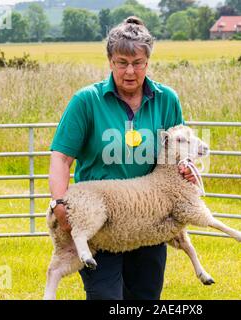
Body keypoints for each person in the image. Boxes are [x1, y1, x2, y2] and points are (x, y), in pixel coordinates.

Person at [49, 16, 197, 300]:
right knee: (106, 296)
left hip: (149, 220)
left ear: (147, 62)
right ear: (110, 61)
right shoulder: (86, 101)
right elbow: (61, 158)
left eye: (138, 63)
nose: (130, 71)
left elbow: (178, 155)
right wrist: (59, 204)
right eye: (121, 62)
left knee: (145, 296)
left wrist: (185, 170)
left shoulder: (167, 100)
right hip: (100, 222)